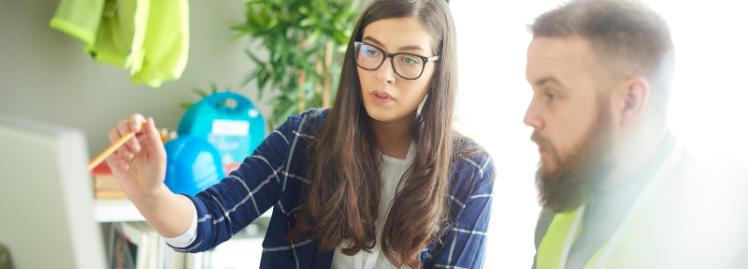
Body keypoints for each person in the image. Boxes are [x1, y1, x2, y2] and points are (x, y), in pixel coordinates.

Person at [106, 0, 494, 268]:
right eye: (372, 51)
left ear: (437, 70)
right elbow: (211, 220)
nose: (384, 74)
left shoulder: (469, 171)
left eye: (409, 59)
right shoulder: (303, 137)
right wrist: (150, 193)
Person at [523, 0, 747, 268]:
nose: (530, 117)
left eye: (551, 94)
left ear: (629, 101)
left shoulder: (719, 236)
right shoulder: (560, 209)